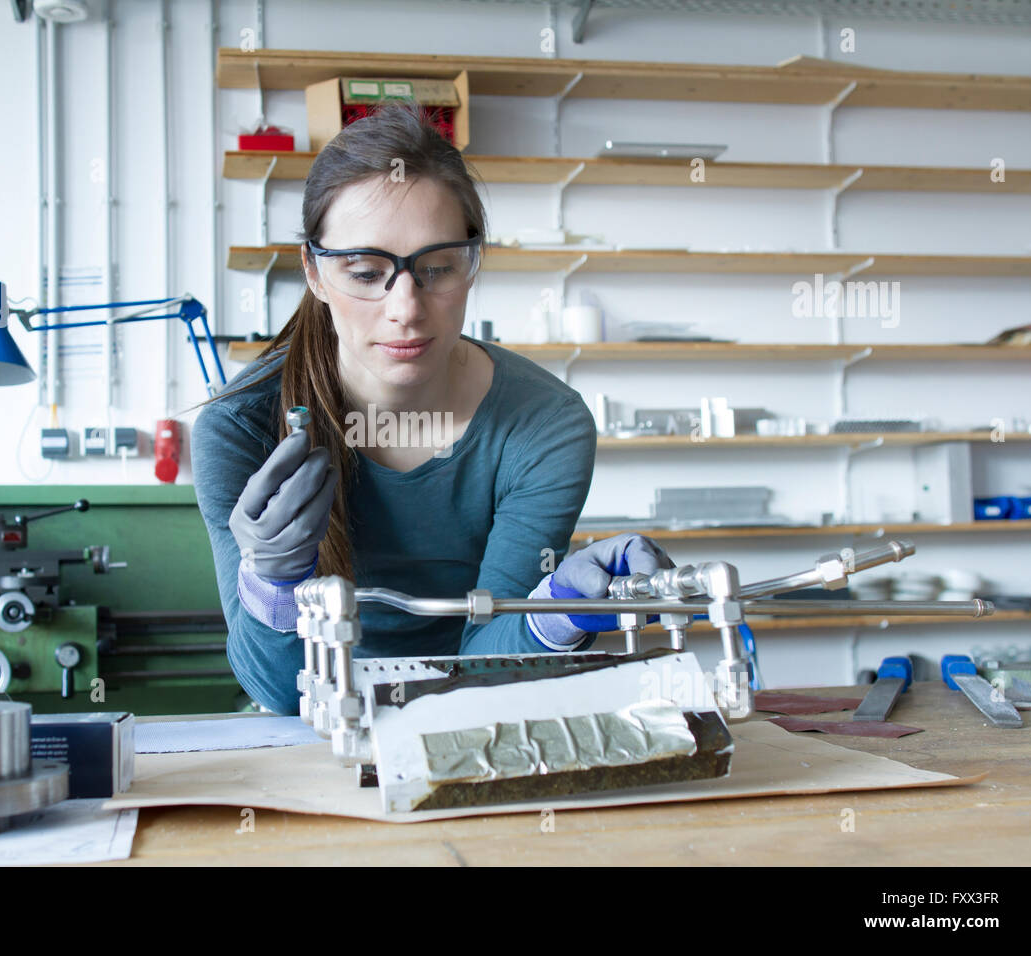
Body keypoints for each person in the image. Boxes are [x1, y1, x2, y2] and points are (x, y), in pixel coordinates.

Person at [190, 102, 673, 715]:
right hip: (312, 735)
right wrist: (274, 589)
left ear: (472, 263)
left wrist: (560, 608)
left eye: (437, 267)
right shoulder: (238, 428)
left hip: (474, 713)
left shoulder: (545, 426)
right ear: (313, 272)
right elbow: (279, 693)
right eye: (365, 272)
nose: (406, 308)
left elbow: (488, 661)